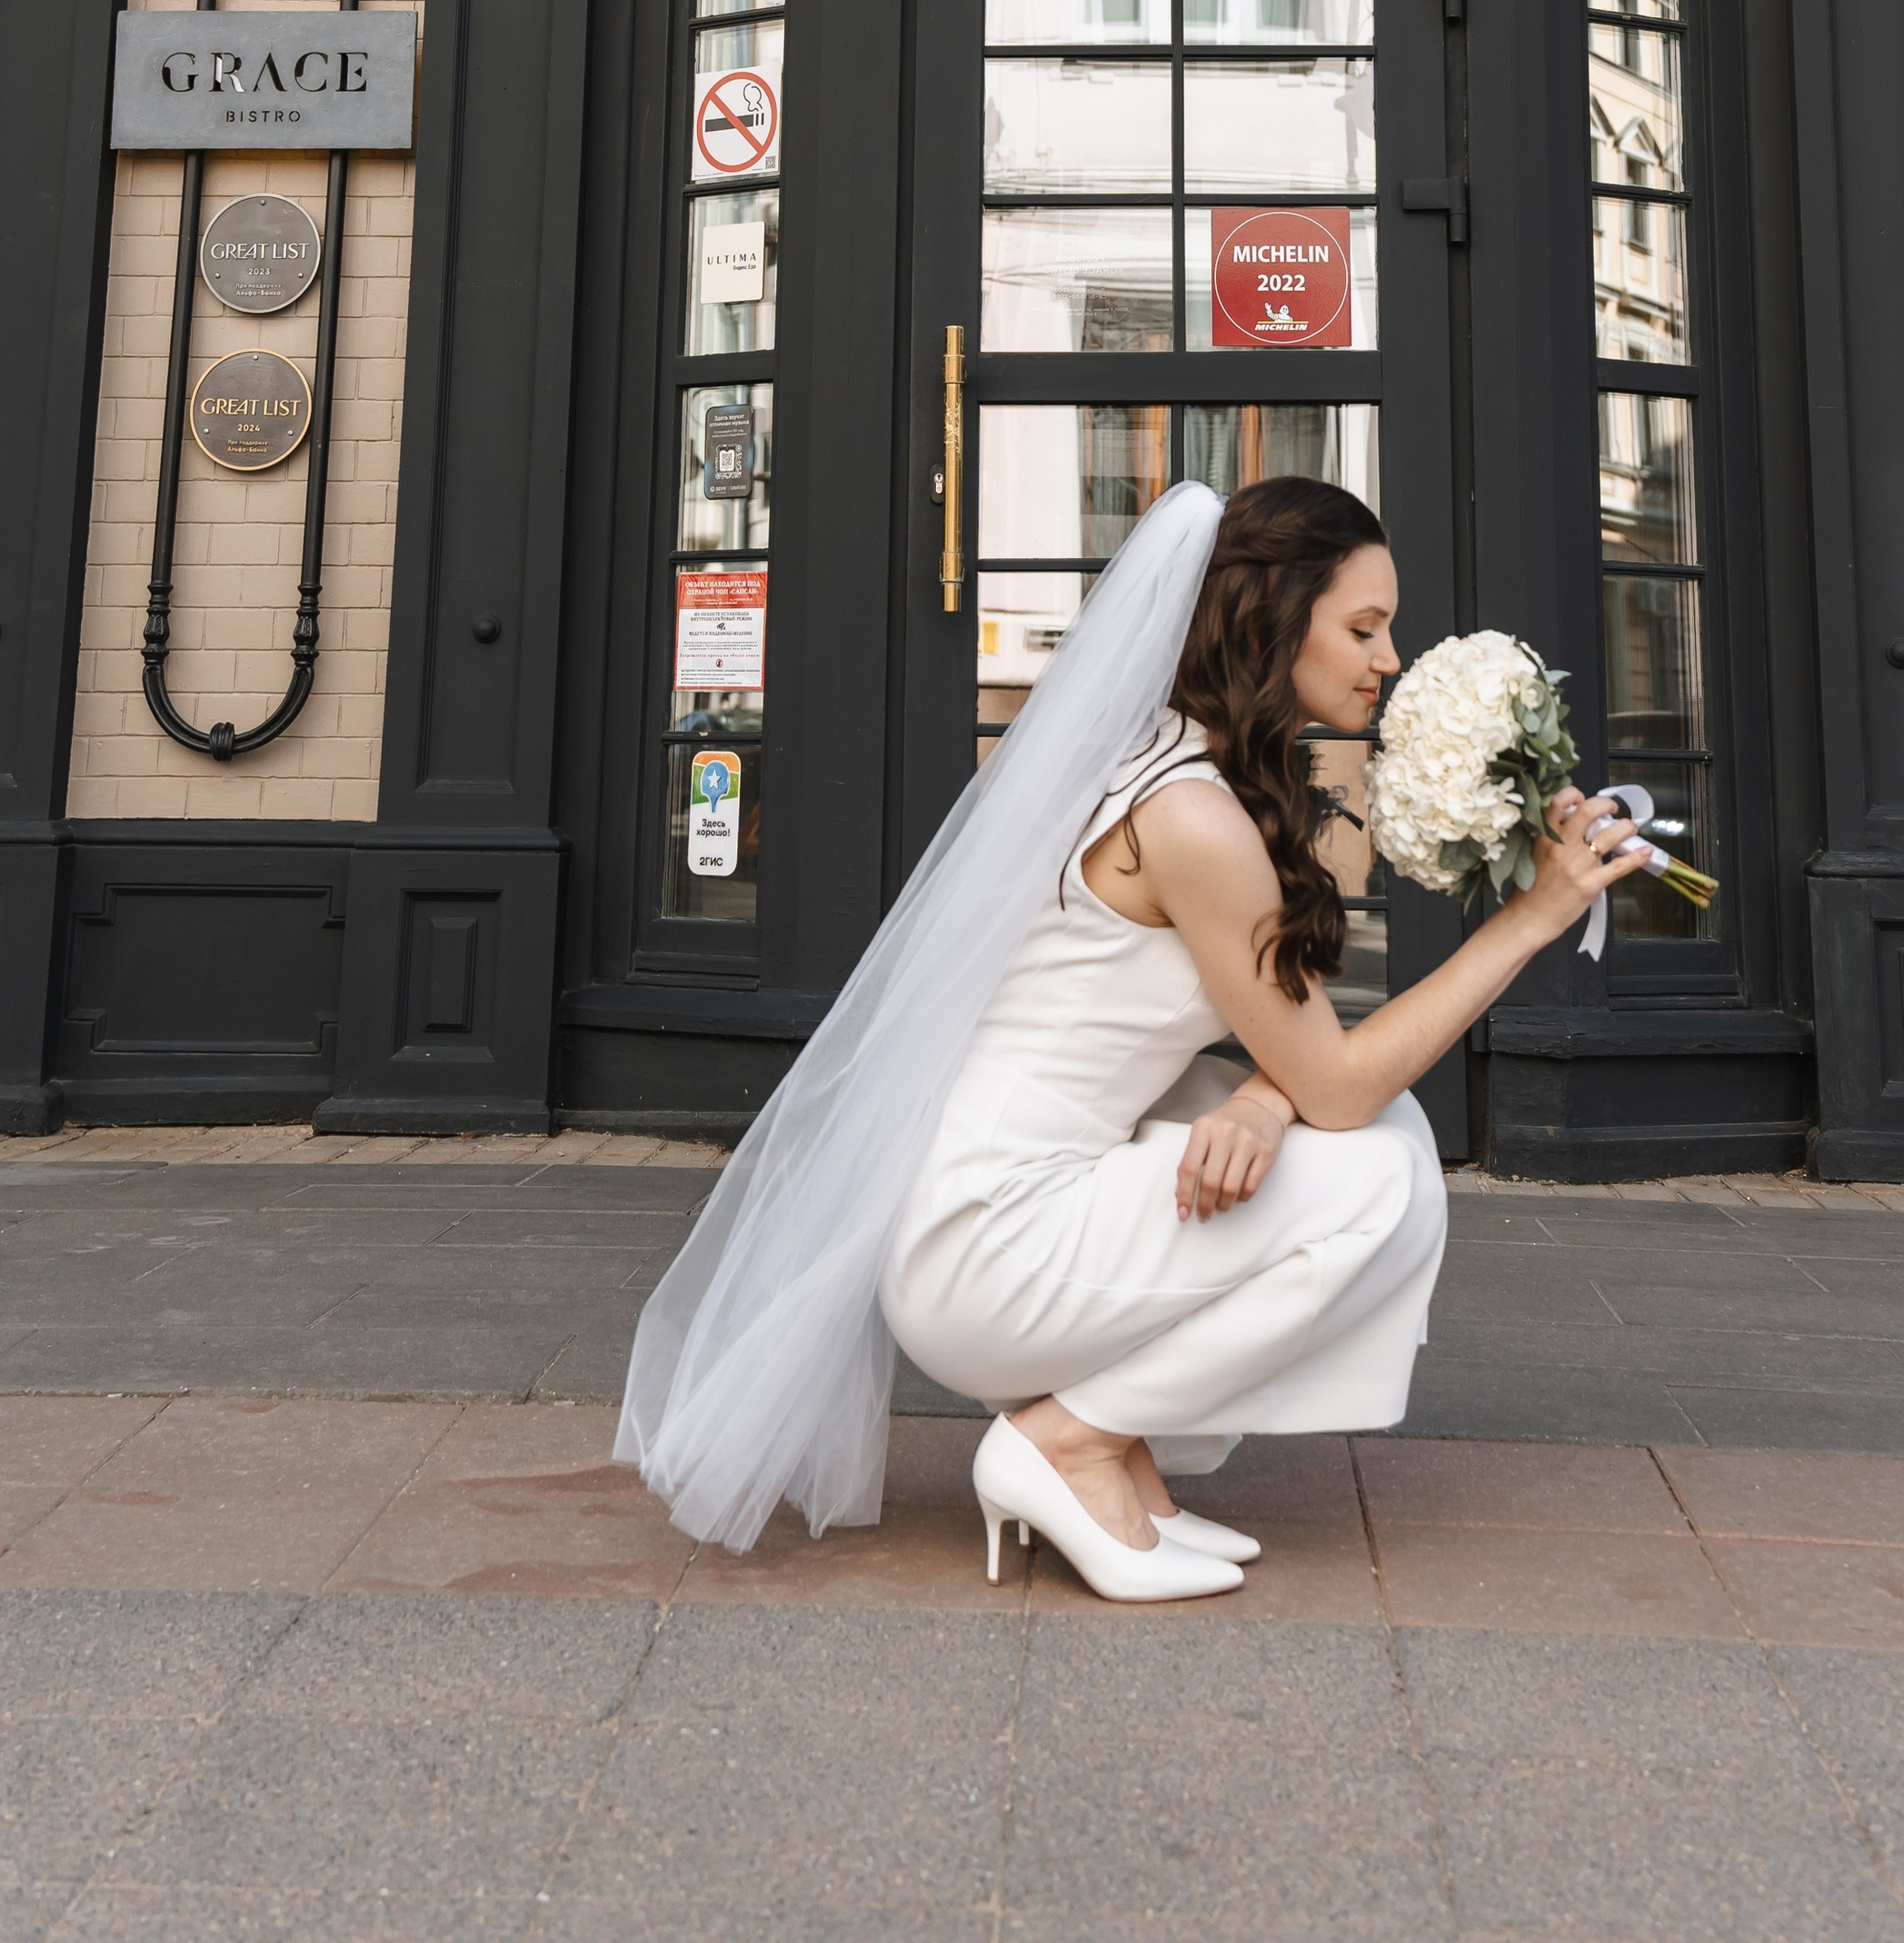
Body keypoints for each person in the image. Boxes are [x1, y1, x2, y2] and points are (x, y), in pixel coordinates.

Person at [617, 473, 1640, 1599]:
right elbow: (1336, 1083)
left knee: (1381, 1132)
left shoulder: (1168, 765)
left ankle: (1118, 1452)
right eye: (1361, 627)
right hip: (990, 1250)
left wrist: (1260, 1098)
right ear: (1267, 619)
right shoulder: (1189, 815)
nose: (1388, 659)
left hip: (988, 1208)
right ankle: (1071, 1438)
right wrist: (1534, 916)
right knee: (1378, 1181)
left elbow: (1295, 1062)